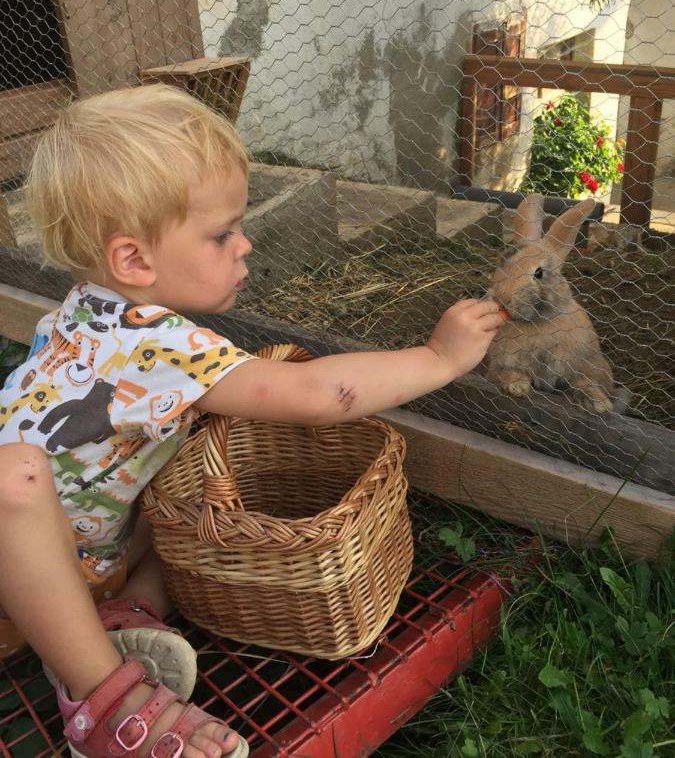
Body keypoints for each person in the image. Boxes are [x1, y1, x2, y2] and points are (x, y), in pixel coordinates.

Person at [0, 84, 504, 758]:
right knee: (15, 478)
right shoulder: (158, 347)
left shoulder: (87, 309)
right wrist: (437, 357)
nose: (245, 244)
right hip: (19, 563)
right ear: (134, 260)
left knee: (171, 478)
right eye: (220, 233)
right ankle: (101, 698)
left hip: (72, 555)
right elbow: (319, 392)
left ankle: (125, 617)